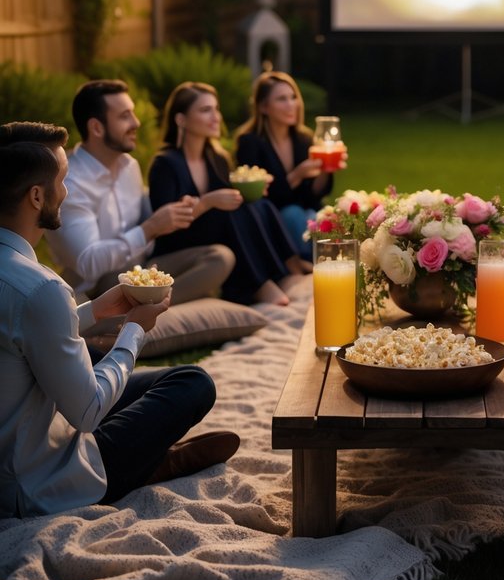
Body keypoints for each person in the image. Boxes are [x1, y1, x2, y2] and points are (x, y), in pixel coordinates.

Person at [0, 121, 239, 519]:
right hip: (42, 482)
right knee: (193, 384)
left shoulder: (24, 282)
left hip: (22, 435)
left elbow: (18, 338)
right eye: (62, 180)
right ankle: (154, 464)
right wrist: (134, 330)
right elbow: (88, 412)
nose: (68, 191)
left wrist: (95, 311)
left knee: (137, 372)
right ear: (37, 196)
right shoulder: (42, 288)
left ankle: (146, 455)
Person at [46, 79, 234, 303]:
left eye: (133, 114)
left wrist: (177, 211)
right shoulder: (72, 183)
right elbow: (88, 264)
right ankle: (138, 314)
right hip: (101, 286)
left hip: (143, 270)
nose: (136, 123)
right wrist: (150, 229)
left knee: (220, 257)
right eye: (125, 116)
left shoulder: (129, 166)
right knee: (118, 275)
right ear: (96, 127)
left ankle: (154, 308)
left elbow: (151, 222)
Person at [147, 82, 309, 307]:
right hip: (178, 244)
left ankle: (285, 271)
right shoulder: (165, 164)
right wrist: (207, 202)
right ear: (180, 119)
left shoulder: (217, 158)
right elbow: (165, 226)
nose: (216, 117)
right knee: (229, 213)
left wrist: (250, 190)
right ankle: (257, 287)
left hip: (212, 232)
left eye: (216, 109)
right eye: (205, 110)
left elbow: (231, 199)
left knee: (259, 205)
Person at [235, 71, 341, 259]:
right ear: (263, 107)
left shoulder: (303, 139)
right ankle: (312, 267)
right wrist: (297, 175)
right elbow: (259, 195)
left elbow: (310, 196)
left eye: (293, 97)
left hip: (304, 213)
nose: (291, 104)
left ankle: (333, 267)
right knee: (294, 214)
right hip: (269, 217)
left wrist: (325, 171)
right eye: (282, 99)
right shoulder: (250, 143)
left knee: (319, 214)